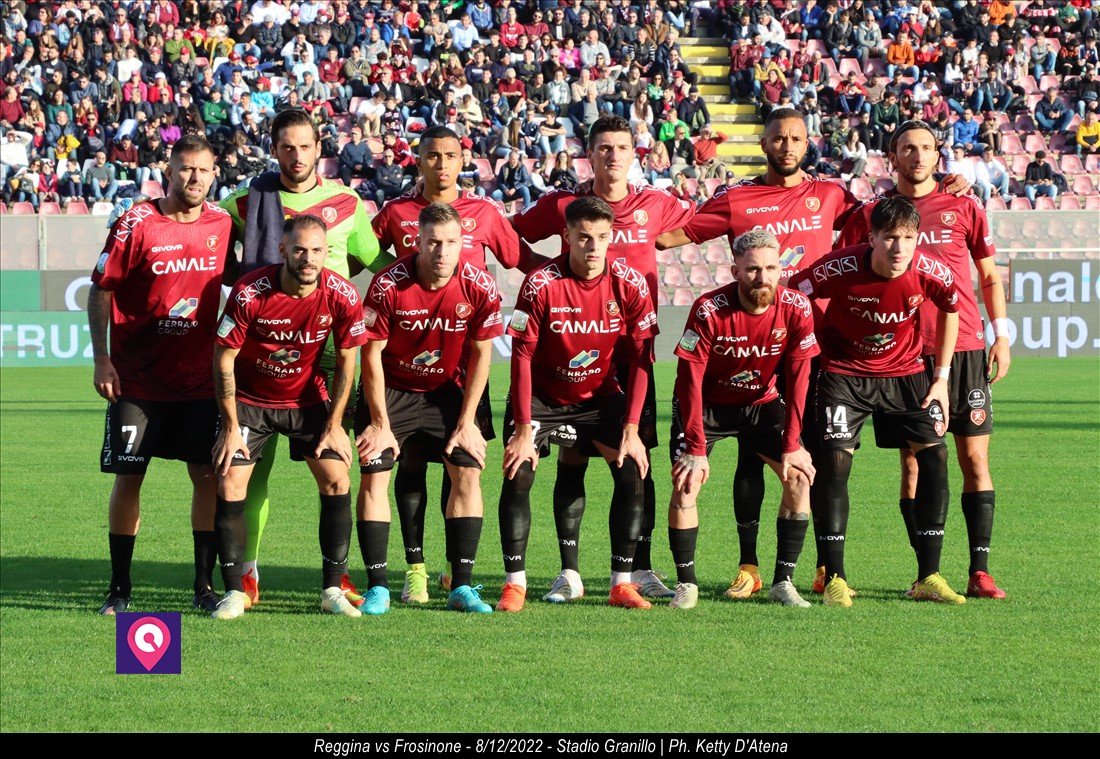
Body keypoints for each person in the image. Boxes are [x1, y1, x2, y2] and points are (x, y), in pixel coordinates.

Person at [657, 108, 970, 598]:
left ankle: (825, 567)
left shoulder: (831, 194)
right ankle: (749, 566)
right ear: (763, 144)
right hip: (760, 337)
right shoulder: (737, 198)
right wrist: (651, 209)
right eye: (778, 138)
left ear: (808, 144)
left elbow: (889, 217)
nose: (787, 145)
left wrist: (942, 187)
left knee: (814, 455)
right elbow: (667, 235)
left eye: (797, 138)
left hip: (814, 343)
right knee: (747, 452)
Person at [512, 115, 696, 600]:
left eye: (621, 147)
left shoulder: (654, 204)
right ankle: (568, 571)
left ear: (635, 154)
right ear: (589, 154)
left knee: (638, 459)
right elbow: (512, 236)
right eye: (604, 148)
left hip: (631, 351)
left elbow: (697, 226)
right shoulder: (562, 205)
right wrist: (542, 271)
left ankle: (640, 567)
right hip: (570, 346)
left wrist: (659, 241)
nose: (613, 155)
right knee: (572, 458)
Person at [219, 108, 393, 607]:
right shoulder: (248, 201)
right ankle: (246, 573)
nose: (296, 156)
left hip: (327, 354)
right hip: (263, 349)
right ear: (274, 150)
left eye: (305, 146)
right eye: (287, 147)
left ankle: (336, 578)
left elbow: (372, 259)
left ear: (320, 149)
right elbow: (215, 245)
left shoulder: (347, 200)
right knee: (250, 471)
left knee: (335, 466)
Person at [836, 121, 1011, 599]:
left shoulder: (964, 205)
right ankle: (925, 575)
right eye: (907, 148)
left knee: (974, 458)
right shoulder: (870, 214)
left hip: (968, 346)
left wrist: (1002, 335)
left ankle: (980, 571)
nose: (917, 156)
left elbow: (989, 276)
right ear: (891, 157)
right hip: (905, 356)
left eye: (926, 148)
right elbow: (842, 273)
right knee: (912, 464)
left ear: (939, 156)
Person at [368, 126, 520, 603]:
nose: (441, 164)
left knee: (466, 467)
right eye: (432, 155)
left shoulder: (484, 226)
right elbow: (367, 256)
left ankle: (461, 581)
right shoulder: (394, 220)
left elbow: (518, 257)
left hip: (453, 379)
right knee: (401, 467)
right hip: (398, 374)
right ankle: (410, 571)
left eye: (450, 156)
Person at [790, 195, 963, 607]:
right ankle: (834, 577)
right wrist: (816, 338)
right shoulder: (842, 265)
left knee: (935, 459)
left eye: (907, 238)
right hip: (844, 374)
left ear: (917, 238)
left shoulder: (930, 269)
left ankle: (929, 575)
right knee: (833, 462)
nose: (899, 248)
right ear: (872, 237)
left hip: (905, 375)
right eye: (889, 238)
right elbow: (795, 293)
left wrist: (941, 378)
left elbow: (952, 307)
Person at [89, 135, 232, 615]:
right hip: (137, 382)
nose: (194, 178)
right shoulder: (137, 222)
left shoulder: (222, 224)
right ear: (168, 171)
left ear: (215, 175)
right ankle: (119, 589)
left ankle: (203, 586)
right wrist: (101, 358)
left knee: (208, 477)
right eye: (185, 169)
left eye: (203, 170)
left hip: (199, 383)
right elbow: (101, 290)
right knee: (129, 480)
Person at [497, 196, 658, 612]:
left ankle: (621, 583)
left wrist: (631, 429)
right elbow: (522, 356)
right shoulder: (540, 283)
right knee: (518, 471)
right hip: (544, 398)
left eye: (601, 237)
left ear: (611, 237)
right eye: (583, 237)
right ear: (566, 236)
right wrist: (521, 427)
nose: (592, 247)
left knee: (633, 469)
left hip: (600, 398)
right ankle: (515, 584)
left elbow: (643, 358)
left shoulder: (630, 282)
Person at [210, 215, 368, 620]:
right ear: (283, 250)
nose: (308, 257)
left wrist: (335, 427)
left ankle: (332, 587)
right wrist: (229, 427)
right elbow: (223, 358)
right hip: (249, 400)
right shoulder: (250, 292)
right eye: (299, 249)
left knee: (337, 478)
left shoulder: (342, 293)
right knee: (230, 481)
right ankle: (233, 591)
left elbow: (349, 362)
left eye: (317, 250)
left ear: (326, 251)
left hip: (305, 402)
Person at [353, 203, 503, 615]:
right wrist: (380, 423)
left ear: (462, 244)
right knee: (375, 471)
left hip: (447, 392)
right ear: (417, 242)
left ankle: (463, 586)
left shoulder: (480, 286)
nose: (442, 251)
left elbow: (481, 356)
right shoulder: (388, 285)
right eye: (433, 242)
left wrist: (469, 421)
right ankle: (378, 587)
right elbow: (371, 356)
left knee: (468, 470)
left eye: (451, 242)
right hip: (392, 389)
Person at [667, 229, 818, 610]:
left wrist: (792, 444)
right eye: (752, 269)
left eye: (770, 268)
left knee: (799, 478)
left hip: (761, 403)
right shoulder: (708, 309)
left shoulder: (797, 308)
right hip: (707, 406)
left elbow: (799, 381)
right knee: (687, 483)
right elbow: (689, 382)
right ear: (735, 270)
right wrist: (697, 449)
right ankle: (687, 584)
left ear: (781, 268)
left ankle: (783, 582)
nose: (762, 278)